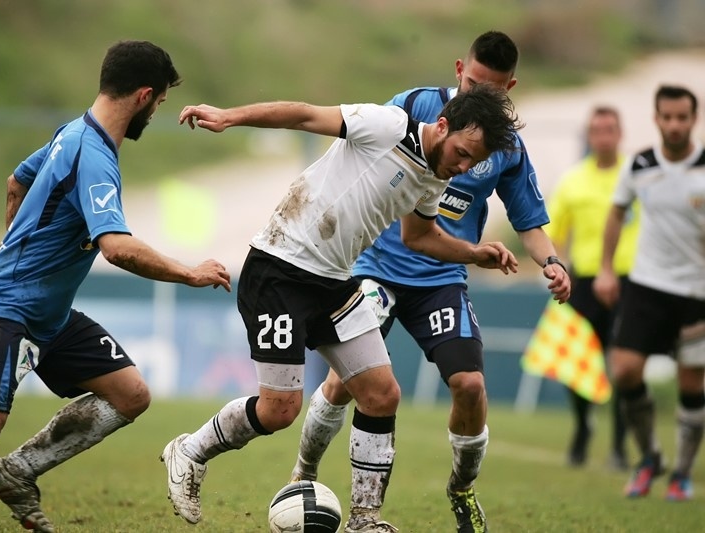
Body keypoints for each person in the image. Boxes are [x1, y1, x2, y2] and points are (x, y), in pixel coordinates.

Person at [161, 83, 522, 533]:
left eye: (474, 161)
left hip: (333, 282)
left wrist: (474, 253)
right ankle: (190, 451)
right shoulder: (389, 125)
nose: (464, 166)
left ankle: (364, 521)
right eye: (463, 152)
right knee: (279, 410)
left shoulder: (435, 176)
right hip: (280, 269)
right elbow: (305, 114)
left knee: (381, 394)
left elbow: (418, 237)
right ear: (443, 126)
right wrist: (232, 116)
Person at [0, 41, 232, 532]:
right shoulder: (94, 154)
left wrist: (17, 242)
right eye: (161, 102)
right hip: (6, 304)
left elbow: (16, 180)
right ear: (145, 96)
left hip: (49, 314)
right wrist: (189, 273)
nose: (156, 110)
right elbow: (116, 247)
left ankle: (18, 472)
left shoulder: (73, 132)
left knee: (130, 394)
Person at [287, 31, 570, 533]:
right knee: (345, 383)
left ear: (511, 87)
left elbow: (529, 221)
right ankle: (302, 474)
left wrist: (553, 264)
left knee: (469, 385)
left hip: (442, 277)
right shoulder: (413, 105)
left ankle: (461, 490)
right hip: (376, 268)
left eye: (495, 90)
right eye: (474, 83)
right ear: (460, 69)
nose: (481, 96)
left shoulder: (506, 147)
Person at [593, 85, 705, 501]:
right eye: (667, 117)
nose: (675, 124)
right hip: (647, 285)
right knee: (623, 370)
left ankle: (682, 473)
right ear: (657, 119)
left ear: (693, 119)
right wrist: (606, 269)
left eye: (683, 117)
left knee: (692, 384)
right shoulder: (639, 164)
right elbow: (617, 211)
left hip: (696, 292)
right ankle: (650, 457)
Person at [545, 106, 638, 469]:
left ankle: (619, 444)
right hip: (583, 283)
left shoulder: (636, 176)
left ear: (620, 133)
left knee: (626, 364)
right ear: (589, 135)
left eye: (610, 129)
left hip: (631, 281)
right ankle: (583, 426)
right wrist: (556, 269)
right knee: (577, 364)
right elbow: (553, 234)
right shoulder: (572, 181)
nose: (604, 136)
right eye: (597, 130)